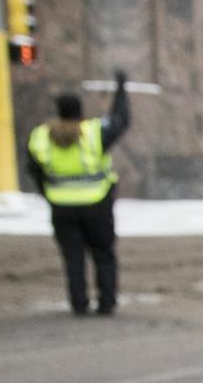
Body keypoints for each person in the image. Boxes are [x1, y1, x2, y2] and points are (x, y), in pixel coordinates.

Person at [27, 70, 131, 316]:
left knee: (73, 258)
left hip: (61, 206)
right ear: (79, 110)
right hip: (96, 205)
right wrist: (121, 89)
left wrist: (49, 194)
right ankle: (106, 302)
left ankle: (79, 303)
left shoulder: (41, 136)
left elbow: (33, 169)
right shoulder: (93, 133)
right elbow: (120, 119)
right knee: (103, 254)